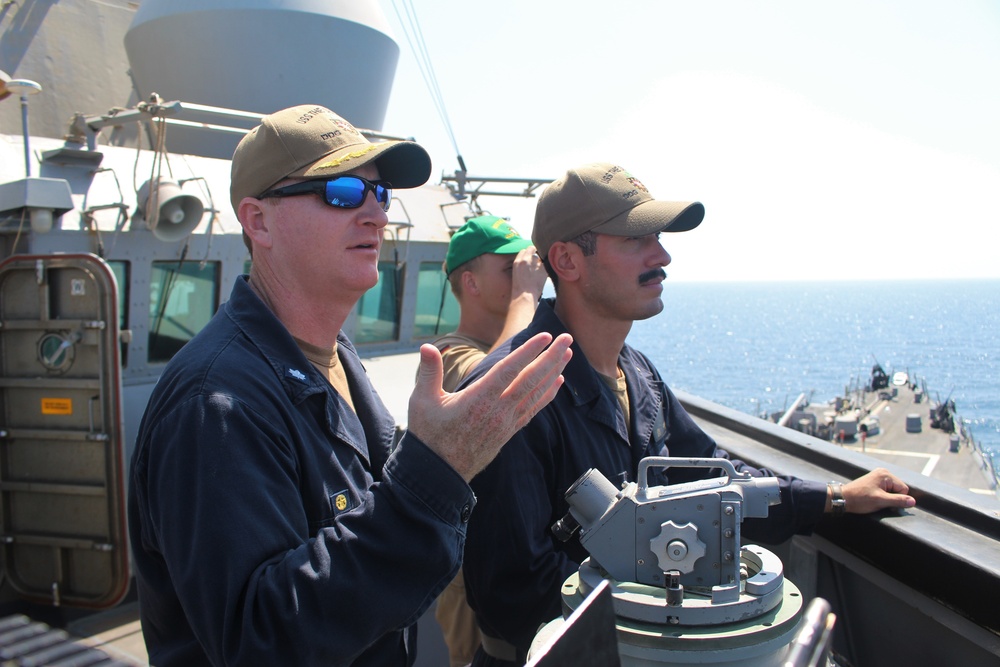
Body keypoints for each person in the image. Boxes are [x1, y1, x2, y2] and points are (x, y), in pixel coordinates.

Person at [126, 104, 573, 667]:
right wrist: (435, 472)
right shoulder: (216, 404)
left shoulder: (336, 359)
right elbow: (258, 643)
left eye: (379, 194)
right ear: (258, 221)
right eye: (341, 192)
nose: (375, 215)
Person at [459, 162, 917, 666]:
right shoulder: (510, 393)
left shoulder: (637, 375)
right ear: (567, 261)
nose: (663, 256)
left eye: (657, 236)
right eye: (635, 239)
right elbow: (515, 592)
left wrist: (832, 498)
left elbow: (714, 478)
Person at [431, 215, 547, 667]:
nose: (524, 273)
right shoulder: (448, 354)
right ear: (470, 283)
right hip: (471, 581)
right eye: (509, 269)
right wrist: (526, 296)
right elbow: (499, 386)